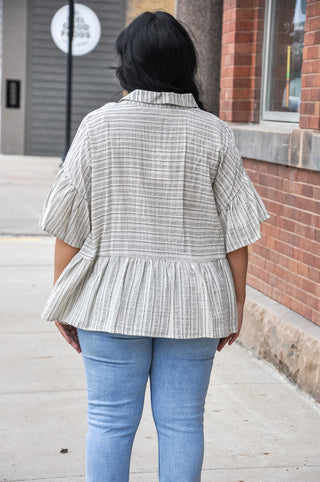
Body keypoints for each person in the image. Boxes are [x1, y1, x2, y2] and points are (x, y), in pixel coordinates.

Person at [39, 11, 270, 482]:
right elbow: (237, 234)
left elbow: (68, 227)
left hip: (109, 299)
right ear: (184, 65)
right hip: (196, 300)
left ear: (129, 65)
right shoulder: (215, 133)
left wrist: (64, 298)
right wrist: (236, 303)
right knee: (183, 424)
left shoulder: (98, 126)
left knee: (108, 423)